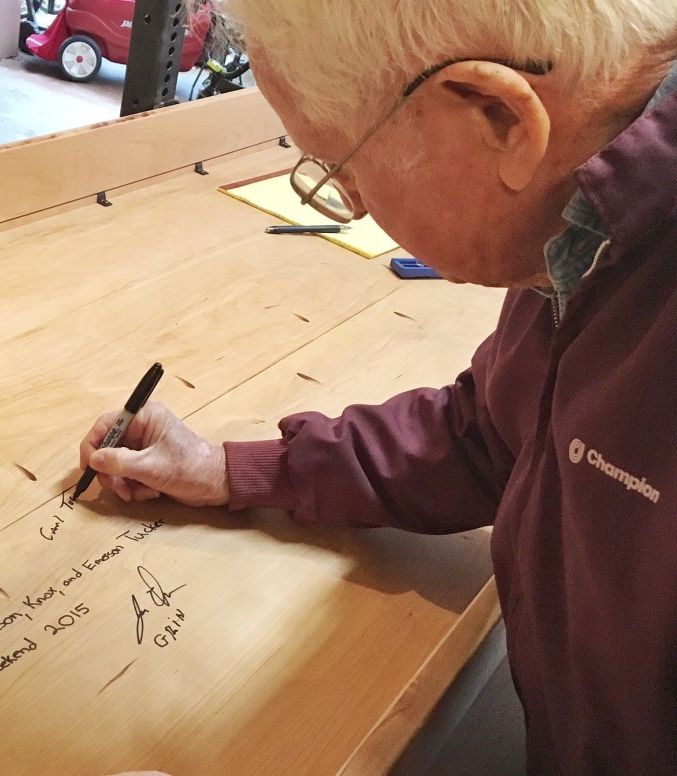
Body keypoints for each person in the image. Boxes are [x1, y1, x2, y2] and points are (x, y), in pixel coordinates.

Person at [80, 1, 677, 772]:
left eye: (341, 166)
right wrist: (234, 470)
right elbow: (494, 431)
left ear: (500, 117)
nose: (347, 203)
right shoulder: (586, 219)